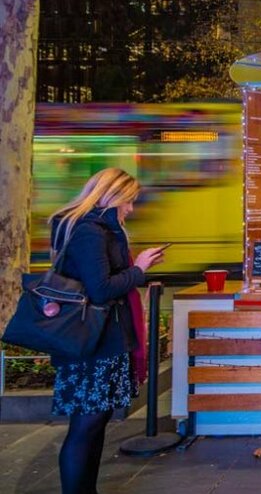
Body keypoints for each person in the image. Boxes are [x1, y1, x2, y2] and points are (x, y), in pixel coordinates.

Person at [48, 168, 165, 494]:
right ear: (111, 196)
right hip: (93, 345)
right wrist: (139, 269)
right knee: (86, 426)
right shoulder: (90, 231)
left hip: (96, 341)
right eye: (128, 202)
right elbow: (100, 288)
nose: (130, 209)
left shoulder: (90, 228)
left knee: (95, 424)